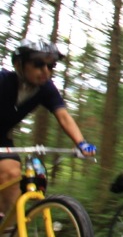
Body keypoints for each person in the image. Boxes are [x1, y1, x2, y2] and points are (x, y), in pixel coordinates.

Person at [0, 39, 96, 217]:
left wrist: (81, 143)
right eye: (38, 64)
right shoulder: (3, 80)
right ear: (19, 65)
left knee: (13, 173)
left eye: (51, 66)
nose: (45, 71)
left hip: (2, 139)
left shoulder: (46, 89)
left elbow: (64, 116)